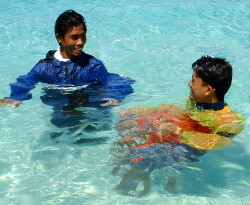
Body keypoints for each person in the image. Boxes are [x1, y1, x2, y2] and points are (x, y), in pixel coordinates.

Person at [112, 56, 244, 196]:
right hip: (177, 136)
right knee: (127, 131)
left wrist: (179, 131)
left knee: (139, 160)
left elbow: (216, 143)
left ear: (208, 90)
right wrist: (140, 112)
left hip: (187, 148)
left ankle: (128, 191)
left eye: (193, 80)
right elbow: (177, 111)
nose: (189, 84)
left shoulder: (228, 121)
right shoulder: (196, 101)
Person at [0, 10, 134, 141]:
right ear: (59, 38)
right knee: (57, 137)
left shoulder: (93, 66)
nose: (81, 42)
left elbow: (110, 83)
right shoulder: (45, 68)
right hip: (60, 110)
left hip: (90, 110)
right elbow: (26, 81)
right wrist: (17, 96)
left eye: (83, 36)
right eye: (75, 37)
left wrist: (113, 97)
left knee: (98, 136)